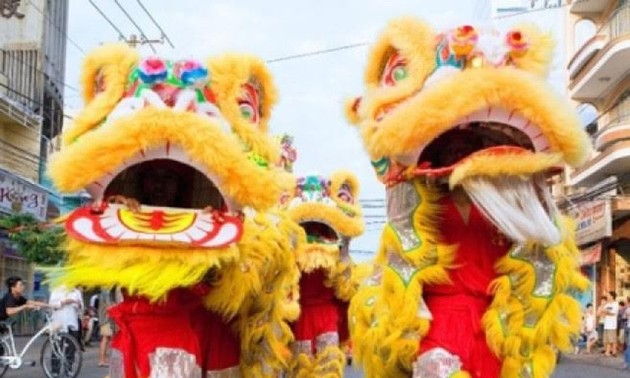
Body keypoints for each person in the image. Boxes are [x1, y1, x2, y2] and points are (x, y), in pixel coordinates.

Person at [98, 288, 120, 367]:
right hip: (106, 318)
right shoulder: (106, 291)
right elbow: (109, 306)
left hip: (106, 318)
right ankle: (102, 360)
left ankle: (103, 360)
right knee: (106, 338)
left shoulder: (107, 291)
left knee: (107, 339)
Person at [598, 291, 619, 357]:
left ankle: (614, 351)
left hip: (612, 325)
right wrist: (603, 307)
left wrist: (606, 312)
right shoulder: (607, 305)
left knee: (612, 339)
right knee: (607, 340)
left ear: (612, 296)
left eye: (608, 295)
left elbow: (613, 313)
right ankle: (607, 352)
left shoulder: (615, 304)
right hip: (606, 324)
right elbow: (601, 314)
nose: (607, 296)